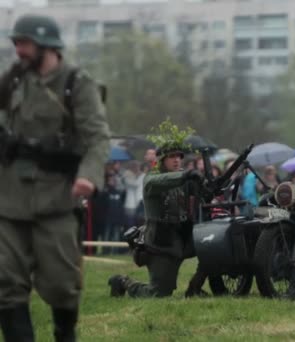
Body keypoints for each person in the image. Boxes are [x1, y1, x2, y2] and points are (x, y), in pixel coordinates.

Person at [0, 14, 110, 341]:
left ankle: (65, 333)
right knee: (5, 283)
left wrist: (89, 176)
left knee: (62, 285)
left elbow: (97, 138)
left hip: (56, 199)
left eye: (24, 43)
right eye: (16, 43)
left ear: (46, 44)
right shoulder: (13, 82)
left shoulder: (77, 83)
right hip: (9, 201)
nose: (18, 50)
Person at [107, 127, 205, 298]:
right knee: (158, 293)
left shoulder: (182, 177)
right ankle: (122, 281)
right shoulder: (152, 179)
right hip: (162, 242)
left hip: (183, 237)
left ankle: (195, 287)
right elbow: (165, 180)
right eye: (172, 157)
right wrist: (187, 175)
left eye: (179, 156)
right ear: (162, 160)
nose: (176, 160)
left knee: (210, 250)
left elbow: (199, 192)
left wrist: (205, 183)